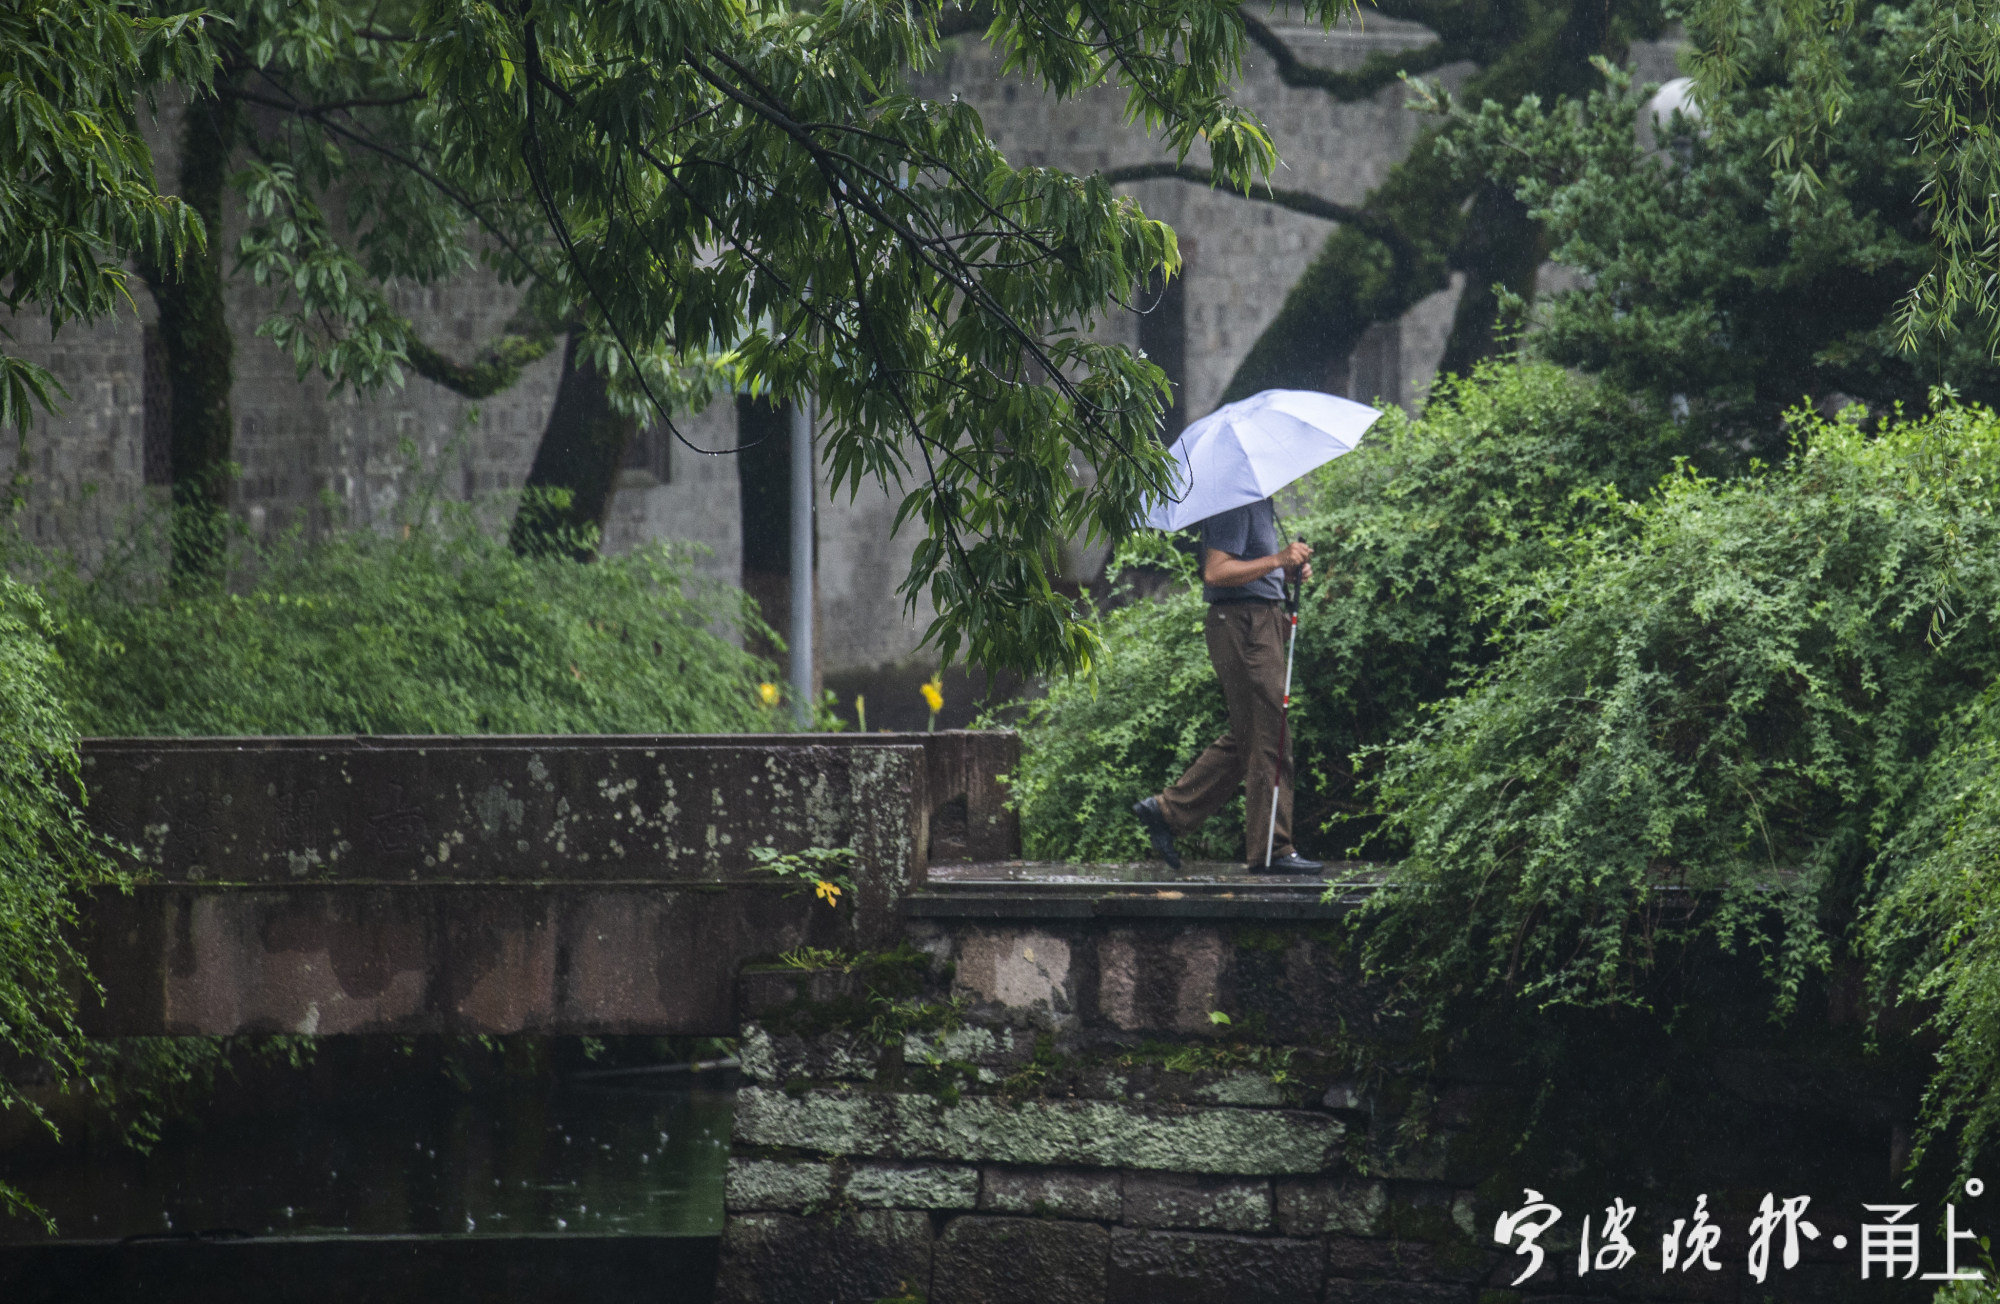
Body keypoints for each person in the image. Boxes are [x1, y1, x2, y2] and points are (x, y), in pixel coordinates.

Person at [1133, 496, 1323, 873]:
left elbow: (1248, 566)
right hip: (1243, 624)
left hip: (1259, 620)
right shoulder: (1234, 502)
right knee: (1271, 735)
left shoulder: (1258, 500)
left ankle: (1167, 811)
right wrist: (1277, 560)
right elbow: (1216, 572)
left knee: (1253, 734)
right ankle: (1274, 851)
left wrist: (1282, 574)